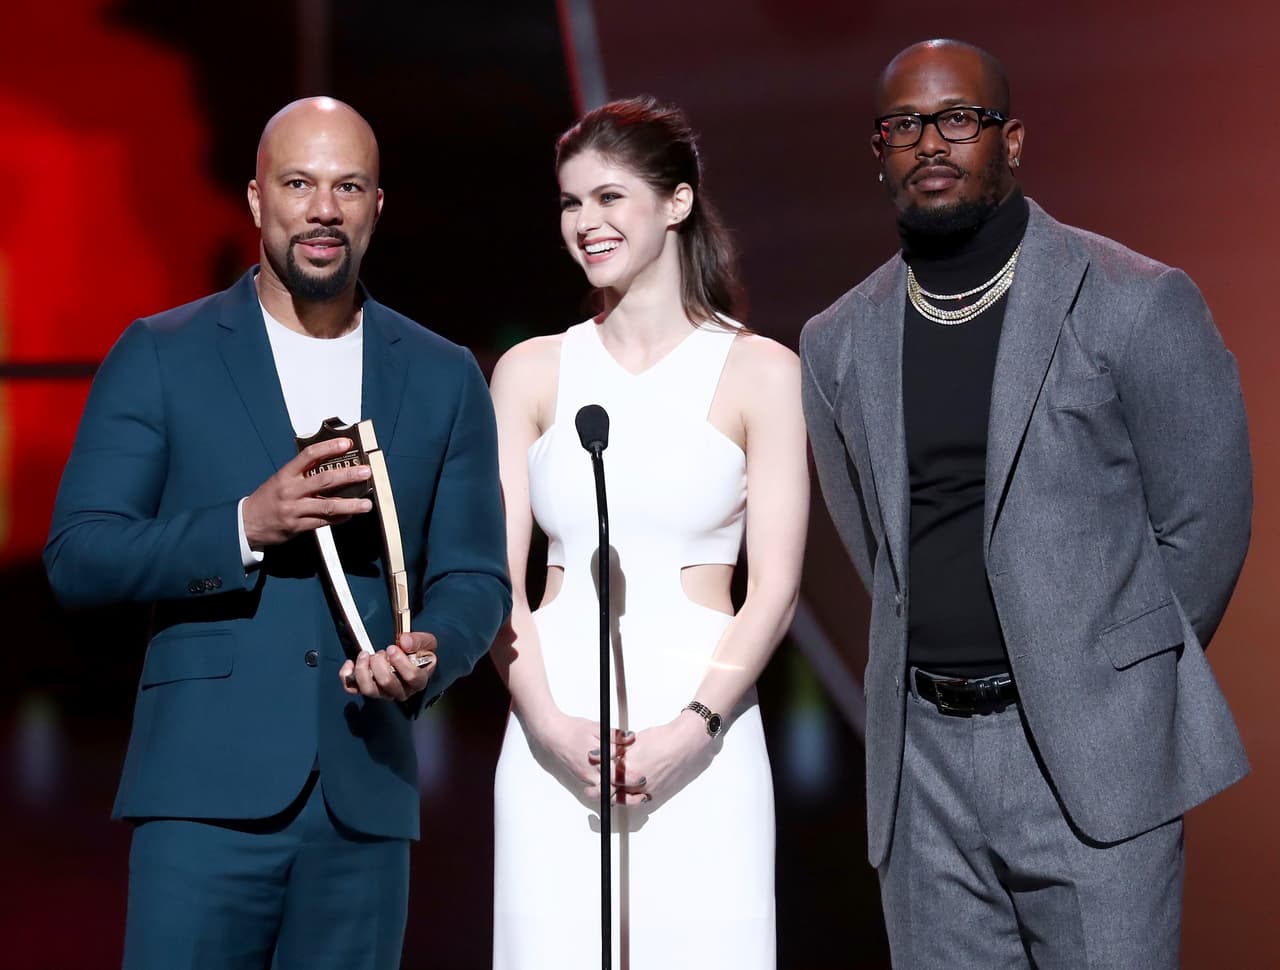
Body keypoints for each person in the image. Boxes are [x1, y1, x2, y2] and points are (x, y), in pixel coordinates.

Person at [801, 39, 1252, 968]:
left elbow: (1207, 520)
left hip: (1092, 756)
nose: (932, 142)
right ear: (879, 150)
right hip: (921, 767)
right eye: (906, 126)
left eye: (959, 119)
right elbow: (872, 542)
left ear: (1011, 142)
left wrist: (1110, 680)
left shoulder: (1135, 301)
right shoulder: (838, 340)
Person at [44, 97, 511, 969]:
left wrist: (431, 651)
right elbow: (80, 555)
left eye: (347, 186)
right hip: (198, 799)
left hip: (363, 799)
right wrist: (243, 528)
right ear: (257, 199)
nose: (323, 208)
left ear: (378, 206)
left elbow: (477, 575)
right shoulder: (162, 352)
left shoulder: (443, 375)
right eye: (299, 183)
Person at [488, 96, 808, 969]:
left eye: (608, 197)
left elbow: (773, 585)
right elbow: (497, 579)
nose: (585, 222)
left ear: (676, 203)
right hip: (554, 728)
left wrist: (692, 729)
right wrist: (549, 725)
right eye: (569, 203)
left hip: (703, 732)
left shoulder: (760, 370)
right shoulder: (531, 371)